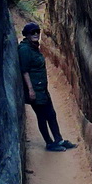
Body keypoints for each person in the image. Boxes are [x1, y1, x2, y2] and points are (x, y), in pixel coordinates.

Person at [18, 22, 75, 151]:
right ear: (26, 35)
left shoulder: (33, 47)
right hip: (35, 90)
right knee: (42, 116)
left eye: (37, 31)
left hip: (42, 89)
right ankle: (49, 143)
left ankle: (59, 140)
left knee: (51, 114)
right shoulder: (25, 50)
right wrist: (31, 90)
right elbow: (25, 71)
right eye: (32, 32)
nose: (36, 34)